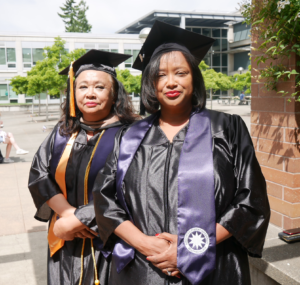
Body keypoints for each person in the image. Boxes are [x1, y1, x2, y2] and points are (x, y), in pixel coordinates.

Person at [93, 21, 270, 285]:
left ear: (194, 78)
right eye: (161, 75)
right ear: (151, 83)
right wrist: (146, 245)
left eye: (181, 72)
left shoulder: (227, 129)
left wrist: (191, 247)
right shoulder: (128, 137)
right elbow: (104, 199)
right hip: (143, 268)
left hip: (213, 267)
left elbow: (250, 200)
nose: (171, 82)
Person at [28, 50, 139, 285]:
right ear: (73, 92)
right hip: (66, 241)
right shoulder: (62, 133)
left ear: (114, 94)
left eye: (100, 87)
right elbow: (39, 174)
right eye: (82, 87)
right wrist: (67, 214)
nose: (90, 93)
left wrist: (80, 219)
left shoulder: (131, 134)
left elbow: (133, 187)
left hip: (110, 239)